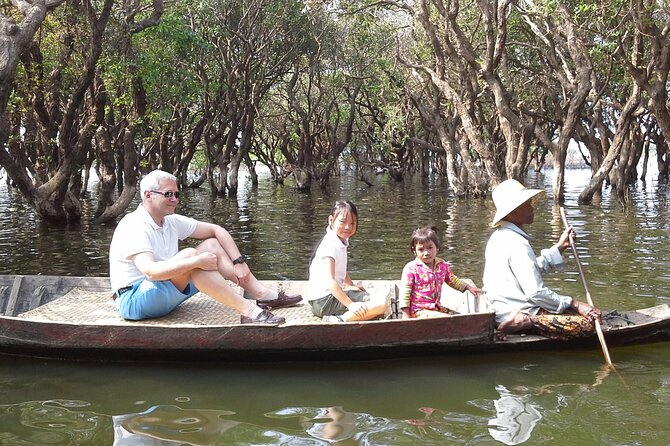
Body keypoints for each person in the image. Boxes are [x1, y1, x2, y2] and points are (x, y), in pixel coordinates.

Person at [108, 169, 301, 325]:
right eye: (168, 194)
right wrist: (196, 261)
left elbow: (217, 230)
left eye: (176, 194)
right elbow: (150, 272)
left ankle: (263, 295)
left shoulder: (170, 221)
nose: (175, 199)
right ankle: (249, 311)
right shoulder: (133, 225)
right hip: (134, 301)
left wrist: (239, 262)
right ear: (148, 195)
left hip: (163, 294)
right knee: (192, 256)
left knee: (211, 245)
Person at [482, 179, 601, 339]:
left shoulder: (498, 237)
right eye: (526, 205)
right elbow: (535, 292)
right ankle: (527, 321)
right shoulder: (518, 243)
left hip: (500, 309)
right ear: (512, 212)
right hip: (516, 311)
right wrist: (575, 303)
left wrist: (560, 247)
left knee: (575, 310)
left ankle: (526, 319)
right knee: (586, 325)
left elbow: (529, 270)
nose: (532, 208)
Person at [305, 200, 388, 322]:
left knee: (376, 304)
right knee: (381, 304)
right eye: (343, 222)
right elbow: (331, 281)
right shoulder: (330, 246)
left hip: (321, 302)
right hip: (324, 302)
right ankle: (339, 319)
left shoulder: (337, 240)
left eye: (352, 223)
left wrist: (352, 285)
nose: (348, 227)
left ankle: (347, 316)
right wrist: (351, 305)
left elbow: (341, 270)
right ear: (331, 220)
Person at [399, 225, 482, 318]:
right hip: (418, 310)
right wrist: (406, 315)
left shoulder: (442, 265)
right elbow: (404, 294)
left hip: (436, 309)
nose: (426, 253)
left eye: (430, 247)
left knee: (460, 318)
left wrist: (467, 287)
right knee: (447, 319)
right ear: (414, 251)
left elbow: (453, 280)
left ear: (437, 248)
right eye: (421, 249)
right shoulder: (411, 268)